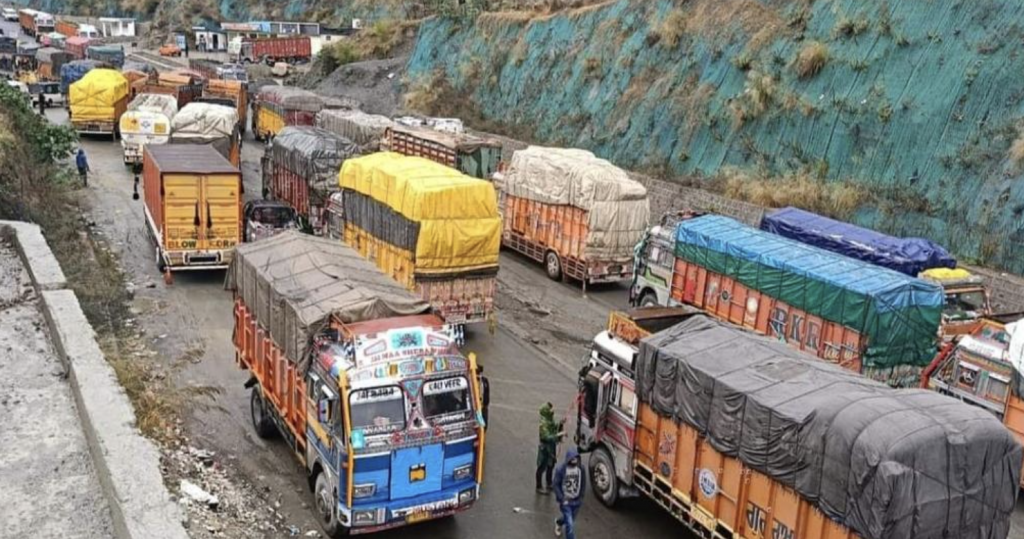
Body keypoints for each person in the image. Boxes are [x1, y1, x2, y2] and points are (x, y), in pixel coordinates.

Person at [553, 449, 586, 539]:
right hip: (566, 501)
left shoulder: (581, 469)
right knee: (570, 524)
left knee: (570, 519)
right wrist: (562, 498)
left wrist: (581, 498)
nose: (574, 460)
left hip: (576, 501)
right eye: (572, 459)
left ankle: (558, 522)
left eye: (576, 458)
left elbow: (583, 483)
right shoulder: (561, 470)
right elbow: (555, 484)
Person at [536, 402, 561, 494]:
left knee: (550, 466)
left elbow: (555, 428)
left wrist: (561, 424)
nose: (552, 410)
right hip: (545, 448)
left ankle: (549, 483)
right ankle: (539, 486)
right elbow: (546, 436)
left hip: (551, 447)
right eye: (550, 409)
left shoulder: (550, 420)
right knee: (542, 467)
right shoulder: (543, 424)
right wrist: (558, 435)